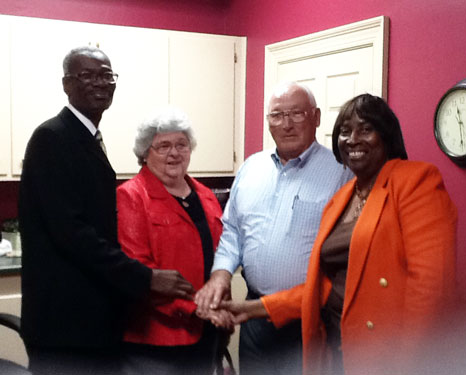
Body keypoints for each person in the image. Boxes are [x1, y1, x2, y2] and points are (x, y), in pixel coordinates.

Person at [219, 93, 458, 375]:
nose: (353, 139)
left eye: (366, 129)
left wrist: (406, 363)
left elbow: (431, 286)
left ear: (387, 135)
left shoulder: (415, 181)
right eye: (345, 131)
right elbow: (328, 285)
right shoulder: (343, 196)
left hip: (385, 353)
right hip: (335, 347)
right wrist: (252, 309)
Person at [18, 46, 189, 375]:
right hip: (65, 329)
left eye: (106, 75)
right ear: (67, 84)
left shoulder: (85, 136)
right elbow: (74, 234)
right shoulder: (52, 138)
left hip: (90, 322)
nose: (99, 83)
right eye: (87, 75)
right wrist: (145, 278)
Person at [195, 81, 353, 375]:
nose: (287, 124)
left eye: (297, 114)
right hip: (253, 317)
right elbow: (232, 231)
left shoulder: (342, 171)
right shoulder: (251, 168)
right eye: (277, 116)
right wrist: (220, 274)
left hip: (311, 315)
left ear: (316, 117)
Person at [116, 108, 232, 375]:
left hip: (207, 331)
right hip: (157, 340)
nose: (174, 153)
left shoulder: (205, 195)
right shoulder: (131, 196)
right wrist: (196, 309)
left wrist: (221, 306)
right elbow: (139, 270)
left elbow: (221, 255)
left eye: (182, 144)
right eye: (163, 146)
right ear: (145, 153)